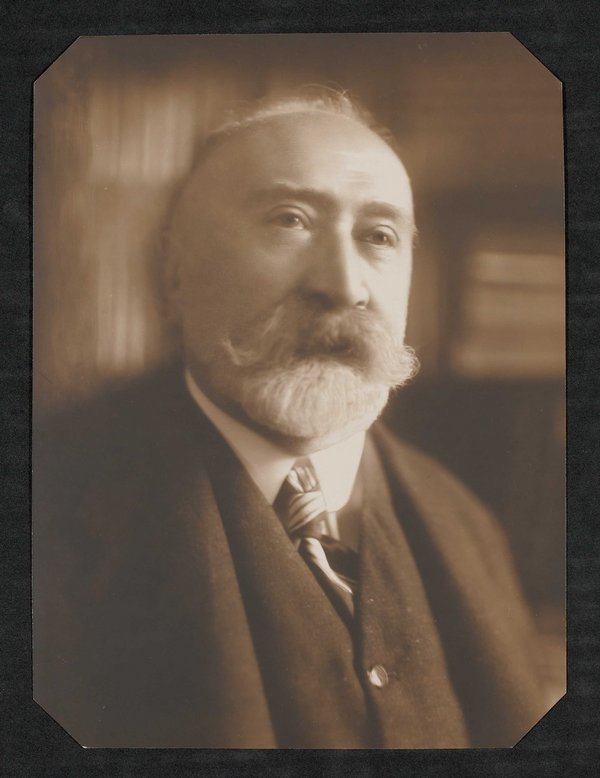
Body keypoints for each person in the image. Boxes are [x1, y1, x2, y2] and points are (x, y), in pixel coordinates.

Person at [33, 90, 547, 748]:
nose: (343, 285)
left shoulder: (467, 523)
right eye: (291, 220)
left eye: (379, 236)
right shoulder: (47, 509)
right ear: (175, 269)